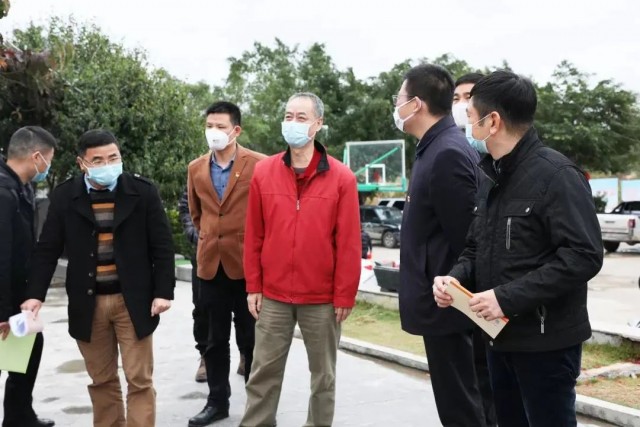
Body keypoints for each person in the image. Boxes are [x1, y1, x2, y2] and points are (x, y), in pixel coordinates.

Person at [434, 71, 603, 427]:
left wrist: (505, 298)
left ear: (493, 121)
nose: (467, 127)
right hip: (499, 338)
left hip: (546, 344)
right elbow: (476, 246)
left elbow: (583, 256)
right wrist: (454, 278)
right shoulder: (491, 176)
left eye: (471, 117)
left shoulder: (557, 175)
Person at [22, 129, 175, 427]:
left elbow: (162, 245)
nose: (108, 165)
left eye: (113, 157)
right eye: (98, 160)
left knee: (139, 380)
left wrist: (163, 291)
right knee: (102, 380)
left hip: (133, 302)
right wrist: (35, 294)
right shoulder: (66, 196)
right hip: (88, 303)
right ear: (82, 164)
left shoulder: (142, 191)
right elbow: (47, 248)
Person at [240, 92, 361, 427]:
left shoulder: (342, 178)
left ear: (318, 124)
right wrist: (254, 286)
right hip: (273, 295)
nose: (293, 123)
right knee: (262, 374)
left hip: (322, 299)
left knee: (323, 377)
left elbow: (348, 243)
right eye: (288, 116)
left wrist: (344, 295)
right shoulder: (264, 172)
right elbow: (254, 235)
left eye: (302, 117)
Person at [395, 64, 489, 427]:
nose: (396, 106)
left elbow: (469, 241)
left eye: (399, 98)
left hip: (451, 308)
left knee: (462, 407)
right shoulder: (432, 148)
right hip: (440, 305)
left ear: (416, 104)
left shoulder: (446, 152)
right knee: (458, 404)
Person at [187, 101, 265, 426]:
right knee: (214, 339)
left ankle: (259, 407)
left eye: (220, 126)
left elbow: (269, 215)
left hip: (248, 268)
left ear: (236, 130)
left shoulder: (259, 164)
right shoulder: (195, 168)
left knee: (252, 339)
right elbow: (197, 214)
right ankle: (217, 402)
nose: (213, 132)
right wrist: (207, 239)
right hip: (210, 267)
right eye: (209, 126)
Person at [0, 126, 57, 427]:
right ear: (37, 157)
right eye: (49, 160)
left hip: (16, 297)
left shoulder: (21, 188)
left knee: (28, 351)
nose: (48, 167)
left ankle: (19, 416)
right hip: (4, 300)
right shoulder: (3, 193)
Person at [452, 72, 497, 426]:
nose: (463, 107)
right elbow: (471, 238)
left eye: (469, 98)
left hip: (504, 305)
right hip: (471, 296)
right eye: (456, 99)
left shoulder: (513, 166)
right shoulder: (458, 152)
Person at [178, 187, 248, 383]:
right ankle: (206, 357)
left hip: (239, 254)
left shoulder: (246, 174)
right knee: (203, 310)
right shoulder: (200, 173)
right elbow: (186, 206)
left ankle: (246, 354)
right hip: (205, 254)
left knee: (244, 310)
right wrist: (195, 233)